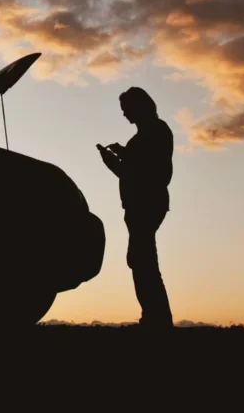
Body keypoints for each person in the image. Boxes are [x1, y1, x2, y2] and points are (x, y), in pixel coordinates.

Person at [97, 86, 175, 329]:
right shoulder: (151, 133)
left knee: (143, 261)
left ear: (137, 107)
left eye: (126, 109)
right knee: (141, 260)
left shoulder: (154, 133)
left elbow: (141, 173)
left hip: (146, 205)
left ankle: (157, 319)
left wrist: (113, 162)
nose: (124, 114)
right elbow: (138, 167)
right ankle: (154, 316)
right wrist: (124, 154)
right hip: (143, 205)